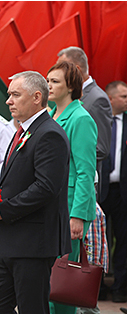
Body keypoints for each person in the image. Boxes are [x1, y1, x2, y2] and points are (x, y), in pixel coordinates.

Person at [0, 71, 70, 314]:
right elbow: (14, 181)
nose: (8, 100)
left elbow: (46, 188)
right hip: (7, 241)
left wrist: (3, 211)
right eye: (9, 95)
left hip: (32, 244)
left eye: (15, 95)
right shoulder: (24, 130)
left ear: (37, 97)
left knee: (32, 309)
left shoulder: (49, 133)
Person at [46, 59, 97, 314]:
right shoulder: (51, 114)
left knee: (63, 282)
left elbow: (87, 172)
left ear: (71, 86)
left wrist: (77, 215)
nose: (49, 86)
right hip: (51, 206)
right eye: (48, 80)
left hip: (70, 208)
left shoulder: (81, 118)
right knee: (49, 279)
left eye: (55, 81)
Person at [56, 48, 112, 166]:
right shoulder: (66, 96)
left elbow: (101, 149)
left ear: (77, 69)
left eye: (62, 68)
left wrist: (57, 151)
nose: (57, 73)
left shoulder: (97, 99)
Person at [99, 80, 127, 302]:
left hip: (123, 192)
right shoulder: (100, 121)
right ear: (111, 99)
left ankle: (120, 287)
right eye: (124, 96)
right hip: (100, 190)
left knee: (123, 240)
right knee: (97, 240)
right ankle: (96, 287)